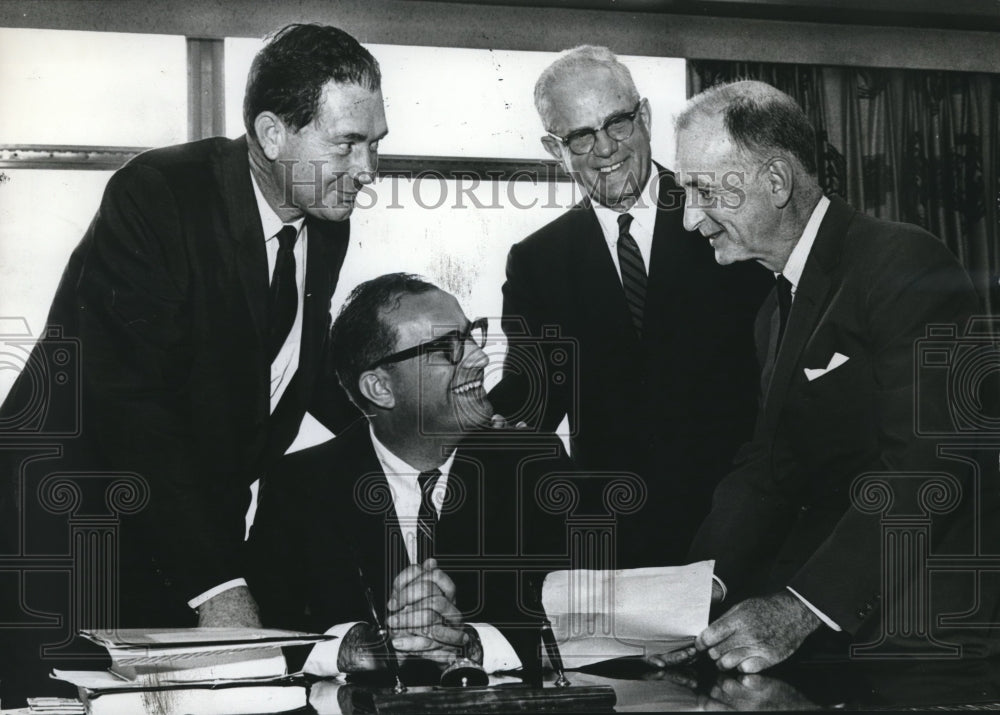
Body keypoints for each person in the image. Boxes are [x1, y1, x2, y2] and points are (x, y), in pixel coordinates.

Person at [0, 21, 387, 663]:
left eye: (375, 144)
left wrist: (404, 435)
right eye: (347, 144)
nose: (367, 170)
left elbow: (290, 362)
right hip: (65, 534)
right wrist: (217, 586)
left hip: (185, 530)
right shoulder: (160, 196)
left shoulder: (323, 220)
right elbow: (131, 407)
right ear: (271, 133)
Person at [661, 79, 997, 673]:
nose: (690, 220)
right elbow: (767, 472)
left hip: (936, 638)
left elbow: (929, 465)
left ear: (776, 181)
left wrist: (801, 609)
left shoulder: (903, 263)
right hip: (860, 632)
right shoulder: (773, 311)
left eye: (703, 191)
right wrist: (688, 600)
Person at [489, 46, 770, 568]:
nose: (604, 149)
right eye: (581, 136)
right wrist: (458, 413)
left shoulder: (726, 214)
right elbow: (531, 399)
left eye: (617, 123)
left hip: (746, 529)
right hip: (617, 546)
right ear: (556, 147)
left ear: (643, 116)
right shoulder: (537, 262)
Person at [248, 273, 572, 676]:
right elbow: (263, 630)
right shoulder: (299, 486)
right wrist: (354, 647)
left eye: (472, 335)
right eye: (447, 348)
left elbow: (584, 621)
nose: (479, 358)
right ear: (380, 388)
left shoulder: (534, 468)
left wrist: (471, 644)